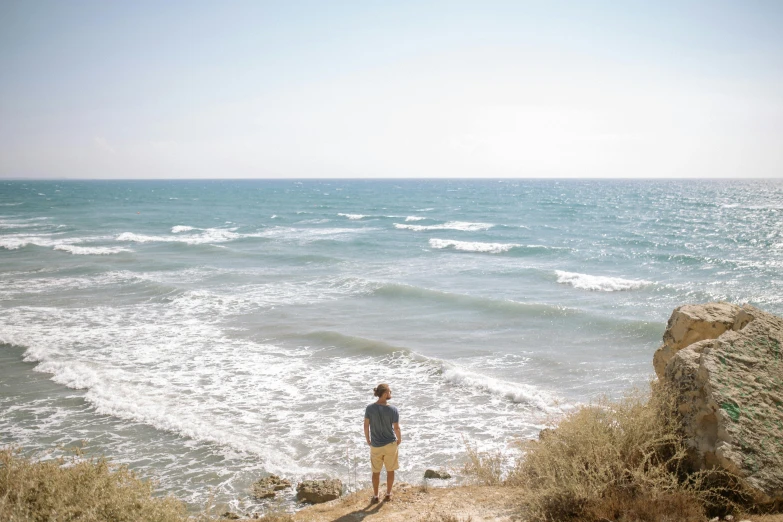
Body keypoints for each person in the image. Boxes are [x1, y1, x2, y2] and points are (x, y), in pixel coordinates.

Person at [363, 383, 401, 503]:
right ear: (384, 394)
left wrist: (368, 439)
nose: (390, 394)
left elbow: (366, 425)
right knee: (390, 470)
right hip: (390, 444)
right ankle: (388, 494)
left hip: (376, 445)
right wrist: (399, 439)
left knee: (376, 472)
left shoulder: (369, 408)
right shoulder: (393, 409)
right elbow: (396, 427)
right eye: (389, 392)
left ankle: (375, 496)